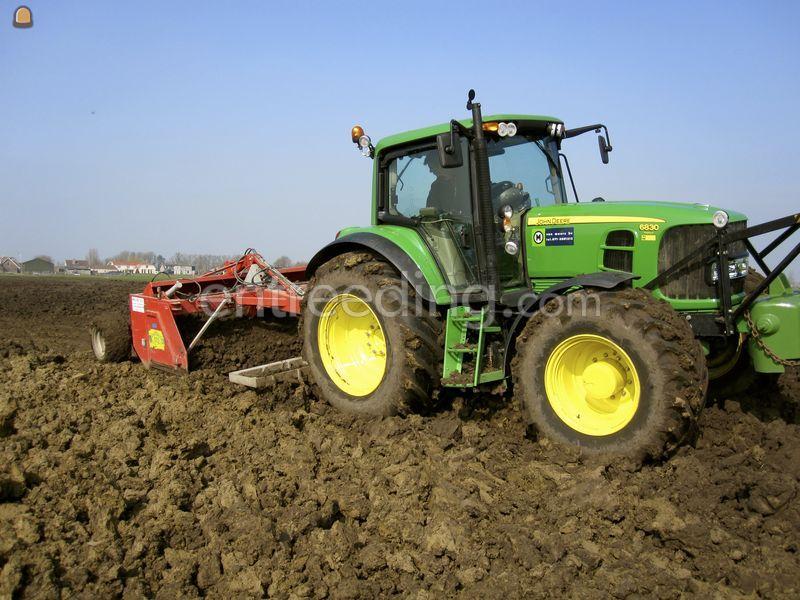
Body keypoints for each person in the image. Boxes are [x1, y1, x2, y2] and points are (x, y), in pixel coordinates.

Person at [424, 151, 467, 218]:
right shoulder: (436, 187)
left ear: (442, 164)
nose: (430, 171)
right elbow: (431, 212)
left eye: (432, 167)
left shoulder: (470, 180)